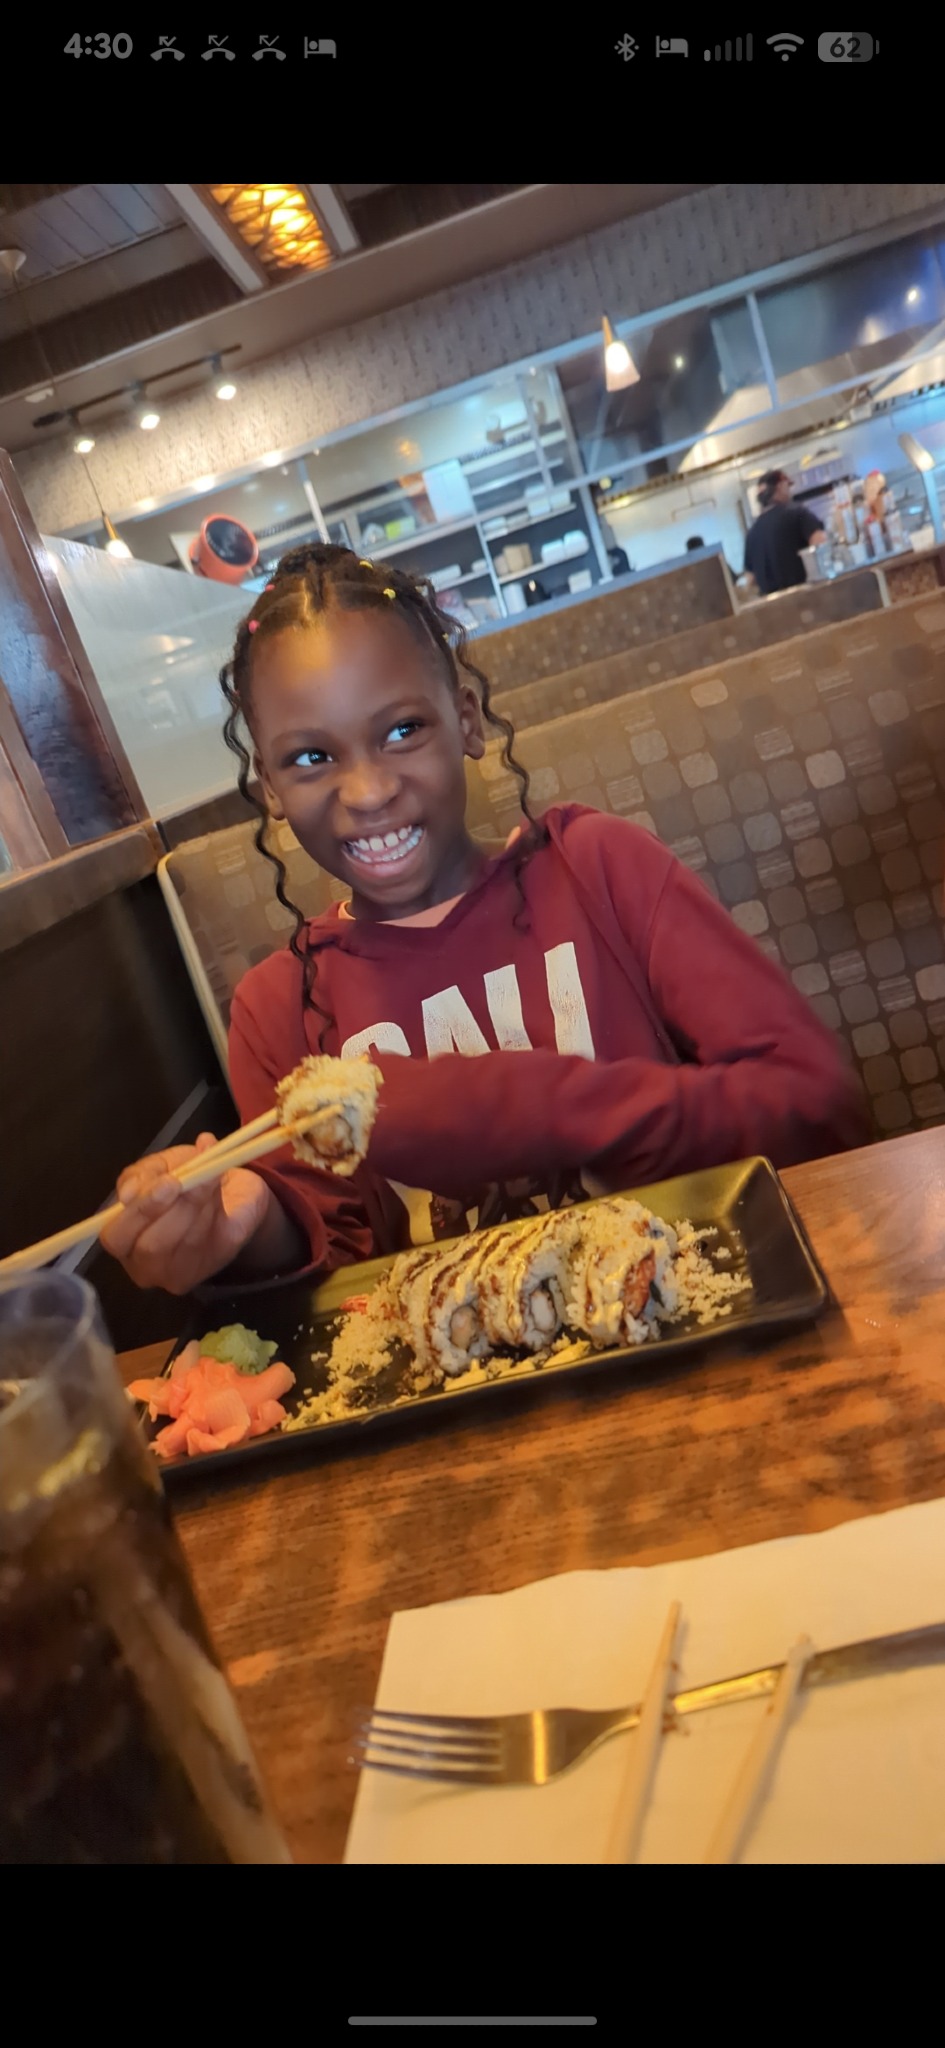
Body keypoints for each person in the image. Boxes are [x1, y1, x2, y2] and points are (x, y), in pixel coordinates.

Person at [102, 543, 866, 1299]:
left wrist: (525, 1107)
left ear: (465, 720)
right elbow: (334, 1263)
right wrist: (243, 1230)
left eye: (402, 730)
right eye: (309, 758)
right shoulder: (277, 1011)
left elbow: (814, 1104)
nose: (367, 791)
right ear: (268, 785)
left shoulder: (598, 871)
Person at [743, 471, 827, 597]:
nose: (790, 491)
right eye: (788, 486)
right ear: (780, 487)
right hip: (804, 596)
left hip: (771, 605)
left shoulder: (752, 533)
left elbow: (751, 579)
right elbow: (820, 544)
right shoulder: (798, 512)